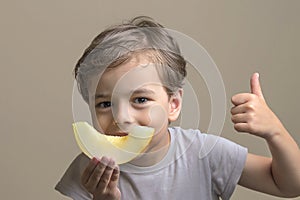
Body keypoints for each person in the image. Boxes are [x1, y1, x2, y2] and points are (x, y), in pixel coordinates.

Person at [55, 16, 300, 200]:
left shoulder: (204, 153)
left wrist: (274, 132)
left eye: (140, 100)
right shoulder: (89, 169)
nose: (122, 117)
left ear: (173, 105)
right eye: (105, 104)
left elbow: (290, 185)